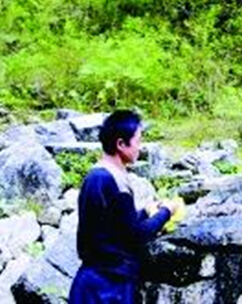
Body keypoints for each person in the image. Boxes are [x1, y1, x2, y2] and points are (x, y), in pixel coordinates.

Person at [69, 110, 178, 304]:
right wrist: (166, 212)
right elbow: (135, 236)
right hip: (110, 284)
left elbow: (113, 225)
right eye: (138, 141)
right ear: (121, 144)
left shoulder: (96, 175)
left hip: (89, 280)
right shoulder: (115, 182)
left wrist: (146, 211)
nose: (140, 148)